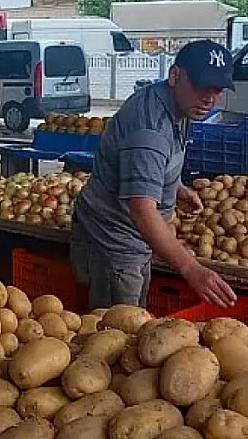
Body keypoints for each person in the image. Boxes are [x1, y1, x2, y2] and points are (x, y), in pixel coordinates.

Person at [71, 40, 239, 310]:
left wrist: (175, 188)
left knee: (134, 324)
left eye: (217, 89)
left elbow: (152, 165)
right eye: (201, 86)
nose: (209, 98)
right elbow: (142, 211)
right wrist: (191, 269)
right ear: (175, 76)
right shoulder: (150, 129)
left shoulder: (177, 105)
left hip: (135, 240)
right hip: (115, 241)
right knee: (115, 332)